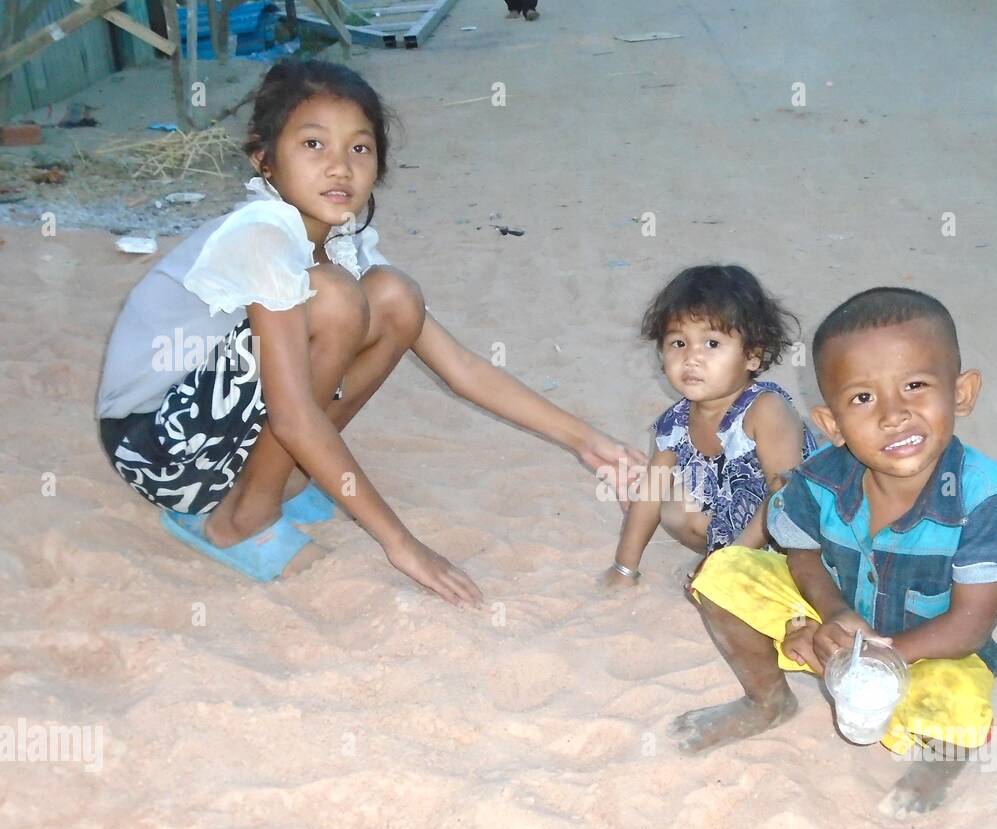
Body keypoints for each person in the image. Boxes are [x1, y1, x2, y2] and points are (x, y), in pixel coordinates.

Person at [96, 60, 642, 604]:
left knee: (394, 297)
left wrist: (589, 441)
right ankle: (241, 518)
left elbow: (461, 368)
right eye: (313, 145)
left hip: (210, 427)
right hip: (158, 447)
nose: (339, 167)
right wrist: (401, 544)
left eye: (359, 148)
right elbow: (290, 412)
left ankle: (281, 478)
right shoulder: (261, 236)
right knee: (333, 299)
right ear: (264, 159)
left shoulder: (341, 240)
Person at [673, 287, 997, 816]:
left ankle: (941, 764)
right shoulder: (823, 477)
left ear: (962, 393)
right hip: (837, 615)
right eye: (862, 398)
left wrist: (878, 655)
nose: (894, 415)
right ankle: (766, 702)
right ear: (831, 425)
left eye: (916, 386)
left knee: (962, 701)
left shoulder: (983, 499)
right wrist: (829, 616)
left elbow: (971, 624)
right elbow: (802, 553)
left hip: (925, 646)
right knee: (722, 575)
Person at [603, 265, 815, 588]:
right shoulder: (675, 421)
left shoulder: (765, 410)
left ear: (753, 357)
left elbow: (786, 497)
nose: (692, 358)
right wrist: (623, 569)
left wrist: (725, 566)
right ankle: (725, 557)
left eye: (712, 344)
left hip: (793, 531)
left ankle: (737, 564)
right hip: (734, 518)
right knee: (670, 502)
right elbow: (649, 495)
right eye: (678, 343)